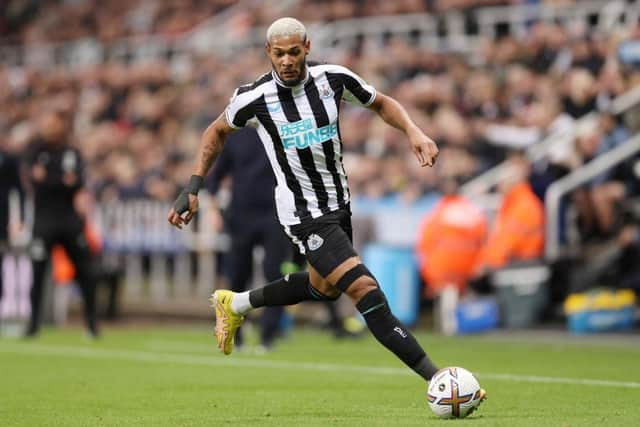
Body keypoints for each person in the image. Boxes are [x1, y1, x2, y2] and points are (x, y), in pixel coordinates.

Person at [168, 17, 485, 401]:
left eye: (294, 52)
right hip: (303, 215)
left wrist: (413, 131)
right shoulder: (254, 98)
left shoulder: (333, 79)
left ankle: (235, 302)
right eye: (279, 53)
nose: (286, 60)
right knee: (365, 289)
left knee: (324, 291)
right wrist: (194, 186)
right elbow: (215, 132)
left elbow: (381, 102)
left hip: (339, 205)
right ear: (269, 53)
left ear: (307, 48)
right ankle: (438, 379)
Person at [23, 111, 99, 337]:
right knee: (37, 272)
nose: (51, 129)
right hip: (44, 220)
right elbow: (38, 180)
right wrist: (60, 181)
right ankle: (33, 324)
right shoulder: (36, 151)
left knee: (86, 270)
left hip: (68, 220)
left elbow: (75, 182)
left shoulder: (71, 152)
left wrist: (49, 178)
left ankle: (91, 324)